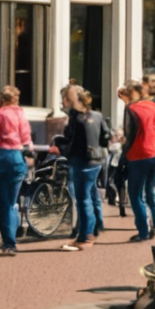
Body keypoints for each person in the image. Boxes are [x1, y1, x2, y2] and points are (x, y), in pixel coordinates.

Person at [57, 86, 110, 250]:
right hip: (97, 160)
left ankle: (86, 236)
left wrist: (61, 147)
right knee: (91, 195)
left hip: (82, 161)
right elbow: (106, 137)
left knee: (83, 199)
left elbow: (71, 140)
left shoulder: (76, 118)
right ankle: (89, 231)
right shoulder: (98, 115)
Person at [0, 86, 32, 255]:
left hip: (4, 157)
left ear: (2, 99)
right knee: (13, 202)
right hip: (19, 158)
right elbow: (26, 138)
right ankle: (12, 239)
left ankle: (9, 243)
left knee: (5, 204)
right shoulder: (21, 114)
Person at [120, 83, 155, 241]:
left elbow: (128, 133)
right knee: (151, 190)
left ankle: (143, 231)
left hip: (137, 154)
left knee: (135, 195)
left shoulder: (131, 109)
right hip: (154, 153)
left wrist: (124, 148)